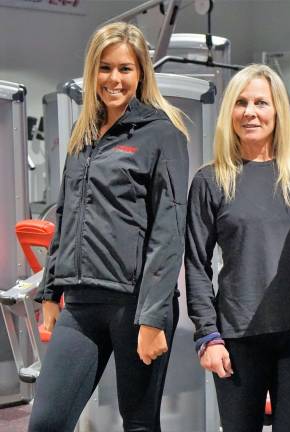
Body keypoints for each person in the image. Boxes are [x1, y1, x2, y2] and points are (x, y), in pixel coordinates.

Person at [29, 22, 189, 432]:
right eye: (104, 68)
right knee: (47, 421)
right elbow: (64, 214)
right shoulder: (83, 135)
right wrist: (50, 291)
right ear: (92, 72)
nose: (113, 79)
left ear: (140, 74)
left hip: (135, 306)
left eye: (124, 69)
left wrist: (152, 317)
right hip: (81, 305)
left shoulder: (161, 134)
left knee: (138, 422)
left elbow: (168, 230)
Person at [185, 64, 290, 432]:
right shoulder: (211, 180)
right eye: (241, 103)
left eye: (261, 103)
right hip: (236, 339)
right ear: (229, 113)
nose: (250, 112)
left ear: (278, 110)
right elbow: (196, 265)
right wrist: (207, 336)